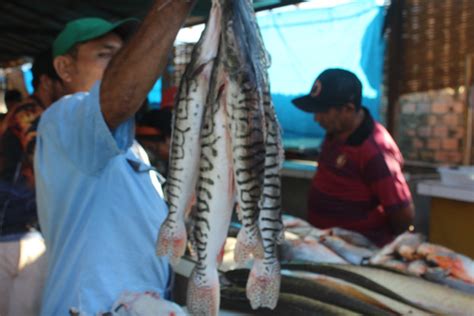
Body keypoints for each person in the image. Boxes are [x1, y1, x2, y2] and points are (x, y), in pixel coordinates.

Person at [34, 1, 195, 314]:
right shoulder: (64, 119)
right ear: (65, 68)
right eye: (105, 54)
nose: (119, 63)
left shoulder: (129, 144)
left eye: (122, 53)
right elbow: (118, 97)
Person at [292, 68, 414, 246]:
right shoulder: (336, 131)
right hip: (323, 241)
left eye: (323, 112)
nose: (316, 119)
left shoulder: (375, 152)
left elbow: (403, 216)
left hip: (356, 252)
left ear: (348, 109)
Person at [0, 49, 63, 316]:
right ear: (48, 81)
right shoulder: (32, 114)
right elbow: (43, 170)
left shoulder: (32, 112)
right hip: (16, 237)